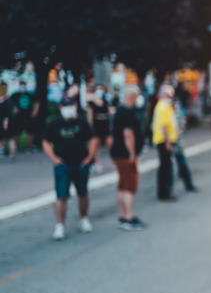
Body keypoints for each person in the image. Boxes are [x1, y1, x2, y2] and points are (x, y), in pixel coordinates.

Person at [42, 98, 98, 240]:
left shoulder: (82, 122)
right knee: (61, 196)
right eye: (65, 106)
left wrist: (89, 157)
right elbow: (45, 142)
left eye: (70, 105)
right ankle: (60, 225)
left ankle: (83, 218)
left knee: (83, 193)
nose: (68, 108)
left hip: (80, 163)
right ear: (61, 107)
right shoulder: (54, 123)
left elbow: (93, 139)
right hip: (63, 165)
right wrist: (54, 158)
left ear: (75, 106)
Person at [110, 86, 146, 231]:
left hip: (118, 153)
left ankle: (123, 215)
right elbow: (128, 135)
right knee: (129, 186)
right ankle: (128, 217)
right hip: (125, 155)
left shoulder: (120, 110)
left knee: (122, 185)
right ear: (131, 97)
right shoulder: (127, 113)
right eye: (136, 96)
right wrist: (133, 154)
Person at [152, 86, 178, 202]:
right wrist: (168, 142)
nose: (170, 98)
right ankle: (164, 192)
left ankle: (165, 191)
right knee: (165, 167)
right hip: (163, 141)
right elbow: (164, 126)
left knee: (166, 166)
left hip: (164, 141)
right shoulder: (163, 107)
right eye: (169, 95)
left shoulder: (164, 106)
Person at [86, 85, 112, 173]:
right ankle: (95, 163)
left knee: (110, 142)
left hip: (105, 124)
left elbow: (110, 112)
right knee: (95, 145)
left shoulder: (106, 101)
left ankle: (115, 160)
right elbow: (89, 115)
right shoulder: (92, 103)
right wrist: (90, 127)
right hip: (97, 124)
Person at [8, 80, 38, 154]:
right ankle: (17, 148)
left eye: (23, 85)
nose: (22, 87)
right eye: (21, 85)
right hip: (18, 117)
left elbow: (37, 102)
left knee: (30, 132)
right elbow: (9, 103)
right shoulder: (15, 95)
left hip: (28, 116)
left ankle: (29, 148)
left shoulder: (29, 94)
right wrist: (13, 109)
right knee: (18, 132)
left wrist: (35, 111)